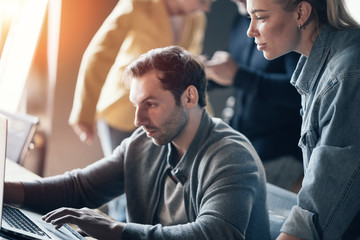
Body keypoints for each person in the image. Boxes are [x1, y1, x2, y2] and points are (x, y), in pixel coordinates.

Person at [5, 46, 270, 239]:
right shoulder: (144, 143)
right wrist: (3, 191)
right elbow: (81, 187)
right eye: (136, 105)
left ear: (189, 97)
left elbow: (214, 235)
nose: (138, 119)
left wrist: (113, 230)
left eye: (151, 104)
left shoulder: (231, 156)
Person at [68, 0, 211, 221]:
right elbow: (99, 54)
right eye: (203, 1)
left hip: (165, 116)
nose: (206, 7)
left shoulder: (196, 19)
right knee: (124, 187)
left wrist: (207, 121)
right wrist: (83, 113)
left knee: (149, 187)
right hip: (123, 110)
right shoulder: (138, 4)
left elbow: (193, 75)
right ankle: (116, 228)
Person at [245, 0, 360, 239]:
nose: (251, 31)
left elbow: (318, 211)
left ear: (301, 13)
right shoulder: (319, 62)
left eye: (261, 17)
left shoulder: (346, 76)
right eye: (250, 18)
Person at [204, 0, 303, 190]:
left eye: (260, 17)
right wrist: (203, 76)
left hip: (278, 152)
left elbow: (301, 91)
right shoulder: (241, 22)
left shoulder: (288, 26)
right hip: (245, 146)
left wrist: (237, 75)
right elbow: (242, 76)